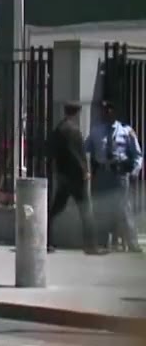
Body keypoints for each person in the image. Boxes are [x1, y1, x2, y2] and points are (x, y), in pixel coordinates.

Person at [87, 100, 143, 253]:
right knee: (101, 208)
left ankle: (132, 243)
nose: (107, 113)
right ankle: (102, 242)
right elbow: (86, 148)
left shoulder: (126, 131)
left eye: (110, 110)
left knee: (124, 209)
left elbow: (137, 155)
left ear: (115, 113)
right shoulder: (96, 131)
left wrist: (134, 172)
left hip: (119, 175)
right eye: (105, 110)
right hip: (102, 174)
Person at [46, 102, 99, 254]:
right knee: (86, 212)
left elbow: (52, 152)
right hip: (76, 177)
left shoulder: (59, 129)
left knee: (54, 210)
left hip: (63, 176)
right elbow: (78, 154)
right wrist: (85, 171)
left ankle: (47, 241)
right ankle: (91, 245)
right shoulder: (74, 130)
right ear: (76, 113)